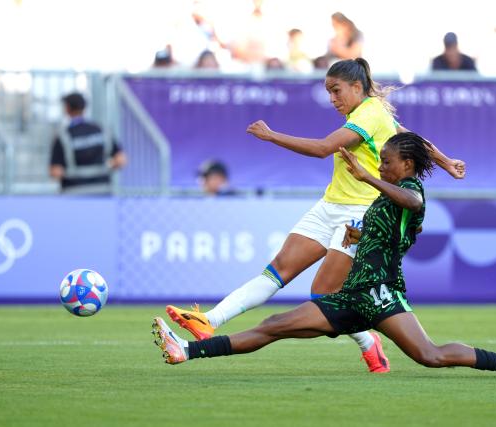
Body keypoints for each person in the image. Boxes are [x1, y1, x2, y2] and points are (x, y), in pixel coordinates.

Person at [153, 132, 496, 380]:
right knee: (274, 325)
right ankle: (186, 351)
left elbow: (413, 204)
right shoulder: (387, 196)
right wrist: (356, 233)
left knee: (429, 356)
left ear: (407, 165)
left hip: (380, 294)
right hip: (352, 295)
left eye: (387, 162)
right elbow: (386, 232)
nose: (381, 165)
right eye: (379, 162)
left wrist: (367, 177)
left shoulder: (411, 190)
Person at [164, 58, 466, 373]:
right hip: (329, 206)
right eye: (328, 92)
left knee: (323, 293)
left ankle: (368, 342)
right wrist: (444, 160)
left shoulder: (371, 113)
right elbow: (410, 138)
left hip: (359, 214)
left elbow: (324, 148)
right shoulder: (372, 114)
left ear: (356, 86)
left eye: (336, 91)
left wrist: (272, 136)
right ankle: (209, 320)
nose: (332, 99)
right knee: (278, 269)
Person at [50, 92, 126, 195]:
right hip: (102, 190)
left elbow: (56, 172)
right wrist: (106, 167)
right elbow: (121, 161)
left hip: (73, 193)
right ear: (84, 107)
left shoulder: (63, 136)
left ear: (67, 108)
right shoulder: (102, 130)